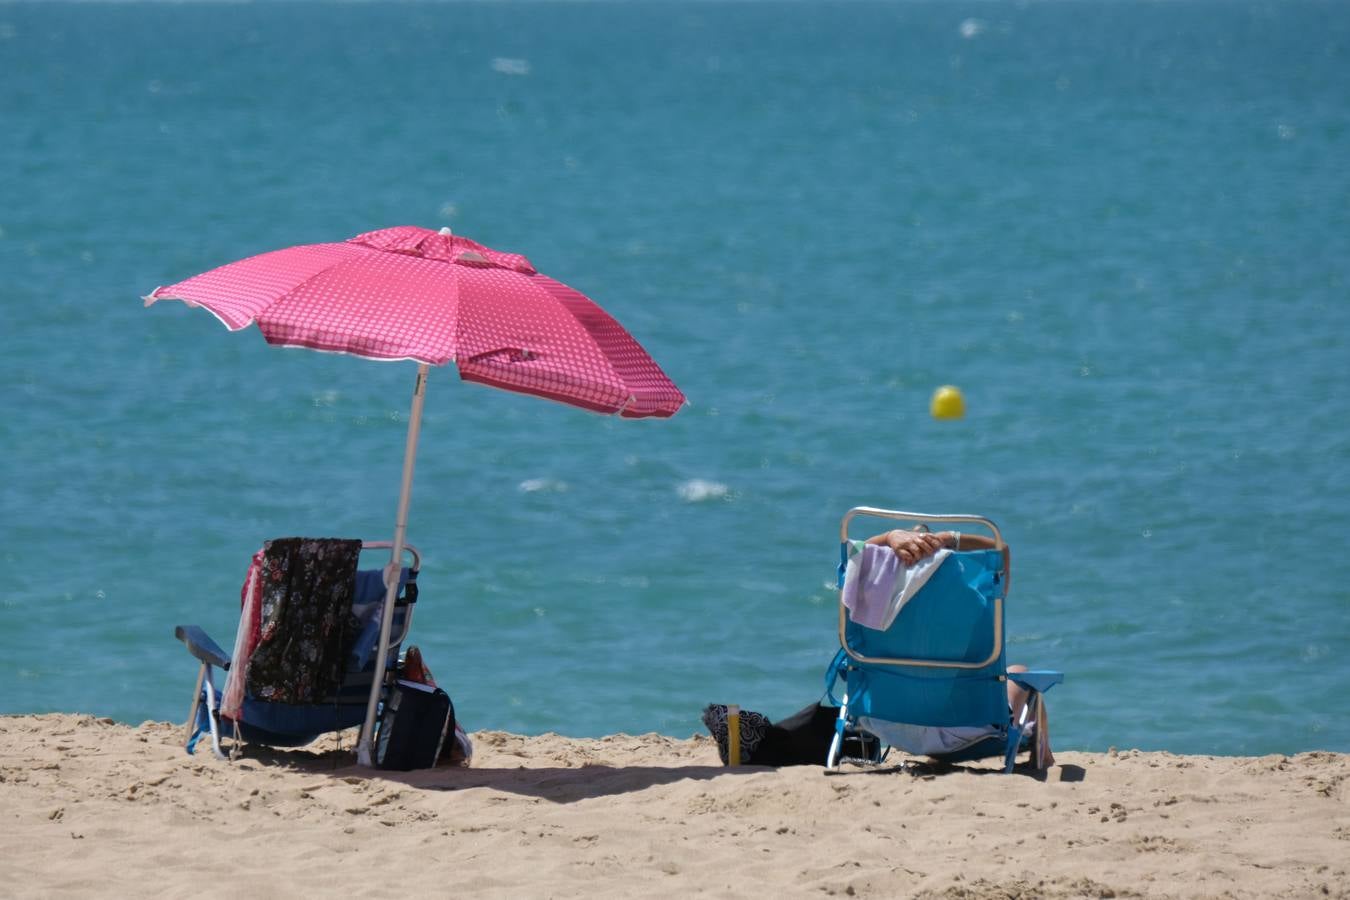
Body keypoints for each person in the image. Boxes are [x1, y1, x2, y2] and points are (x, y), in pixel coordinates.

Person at [703, 527, 1036, 766]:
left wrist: (890, 537)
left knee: (845, 701)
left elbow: (852, 556)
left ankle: (763, 743)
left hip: (883, 719)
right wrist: (950, 539)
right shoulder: (973, 594)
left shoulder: (874, 590)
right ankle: (1040, 745)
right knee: (1019, 672)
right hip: (963, 728)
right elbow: (1000, 550)